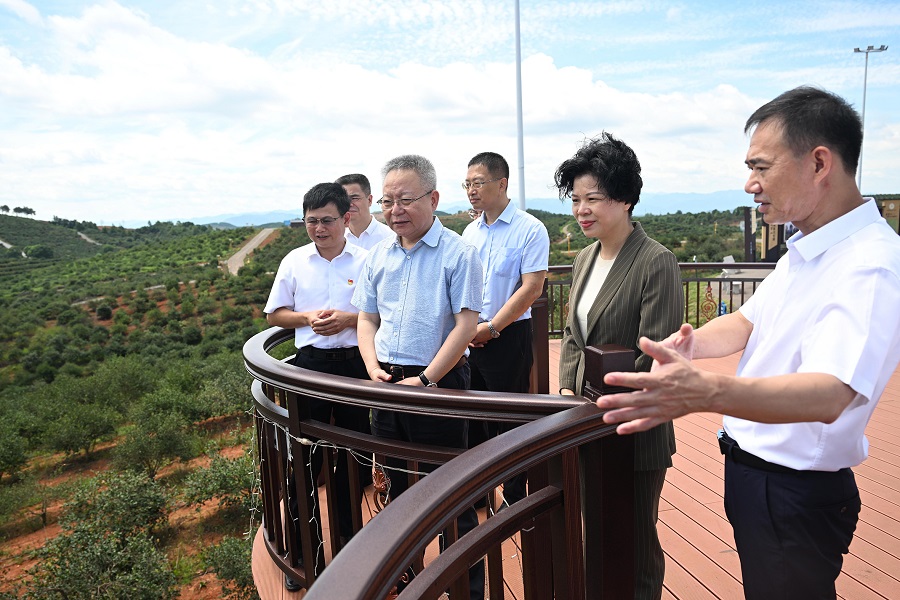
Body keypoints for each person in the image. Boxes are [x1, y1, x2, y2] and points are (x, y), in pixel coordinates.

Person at [596, 86, 900, 599]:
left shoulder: (869, 264)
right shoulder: (808, 250)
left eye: (761, 167)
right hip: (757, 476)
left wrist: (706, 392)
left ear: (819, 163)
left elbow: (832, 393)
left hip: (795, 489)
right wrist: (688, 345)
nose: (750, 184)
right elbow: (745, 322)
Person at [555, 132, 683, 600]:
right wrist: (567, 395)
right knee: (595, 532)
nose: (581, 210)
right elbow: (573, 335)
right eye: (576, 199)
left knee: (635, 541)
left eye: (593, 198)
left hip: (633, 430)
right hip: (585, 423)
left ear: (626, 198)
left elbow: (656, 354)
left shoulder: (655, 262)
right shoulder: (584, 258)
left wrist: (606, 407)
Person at [352, 154, 485, 600]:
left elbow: (466, 325)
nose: (395, 210)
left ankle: (464, 589)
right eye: (387, 201)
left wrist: (427, 380)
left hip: (438, 384)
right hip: (388, 384)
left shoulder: (459, 253)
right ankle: (409, 581)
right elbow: (367, 318)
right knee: (396, 490)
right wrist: (372, 367)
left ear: (433, 198)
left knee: (450, 492)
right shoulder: (378, 255)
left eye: (406, 200)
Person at [264, 182, 372, 591]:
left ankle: (349, 552)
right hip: (308, 369)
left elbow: (383, 312)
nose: (319, 229)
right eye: (311, 221)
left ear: (346, 218)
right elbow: (275, 314)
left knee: (351, 461)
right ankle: (304, 555)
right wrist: (306, 318)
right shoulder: (294, 261)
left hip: (355, 367)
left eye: (327, 220)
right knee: (303, 462)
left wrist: (348, 320)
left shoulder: (367, 261)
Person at [460, 151, 549, 508]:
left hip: (508, 336)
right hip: (470, 338)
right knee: (473, 420)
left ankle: (513, 497)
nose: (471, 190)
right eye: (467, 184)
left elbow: (532, 288)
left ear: (502, 183)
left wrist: (492, 328)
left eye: (478, 183)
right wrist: (469, 330)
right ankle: (479, 495)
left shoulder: (530, 228)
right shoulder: (469, 231)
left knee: (510, 420)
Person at [335, 173, 394, 250]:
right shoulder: (336, 240)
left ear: (369, 200)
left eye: (354, 198)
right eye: (343, 199)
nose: (349, 204)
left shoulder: (391, 238)